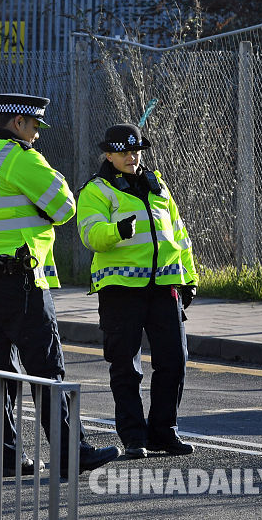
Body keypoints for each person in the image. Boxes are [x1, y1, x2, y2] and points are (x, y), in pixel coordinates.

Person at [0, 93, 120, 477]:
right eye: (33, 127)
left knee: (0, 372)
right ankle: (71, 452)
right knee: (48, 369)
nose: (36, 135)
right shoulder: (18, 157)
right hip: (21, 279)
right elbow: (65, 207)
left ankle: (8, 457)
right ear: (17, 123)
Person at [76, 123, 198, 459]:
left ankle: (164, 432)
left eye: (136, 151)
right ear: (109, 155)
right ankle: (133, 436)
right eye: (124, 152)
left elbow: (179, 235)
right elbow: (89, 234)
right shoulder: (96, 191)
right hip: (120, 289)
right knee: (126, 367)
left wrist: (189, 277)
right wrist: (116, 230)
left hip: (164, 287)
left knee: (174, 361)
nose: (132, 157)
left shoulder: (157, 185)